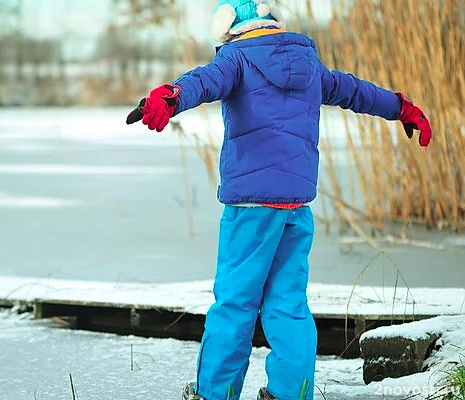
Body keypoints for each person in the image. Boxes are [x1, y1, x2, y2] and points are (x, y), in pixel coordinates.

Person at [125, 1, 432, 399]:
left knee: (235, 304)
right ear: (274, 22)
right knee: (288, 306)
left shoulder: (235, 59)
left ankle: (214, 393)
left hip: (250, 207)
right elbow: (356, 91)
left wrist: (170, 96)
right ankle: (293, 393)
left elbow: (201, 81)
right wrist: (402, 108)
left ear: (227, 28)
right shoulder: (310, 64)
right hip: (295, 206)